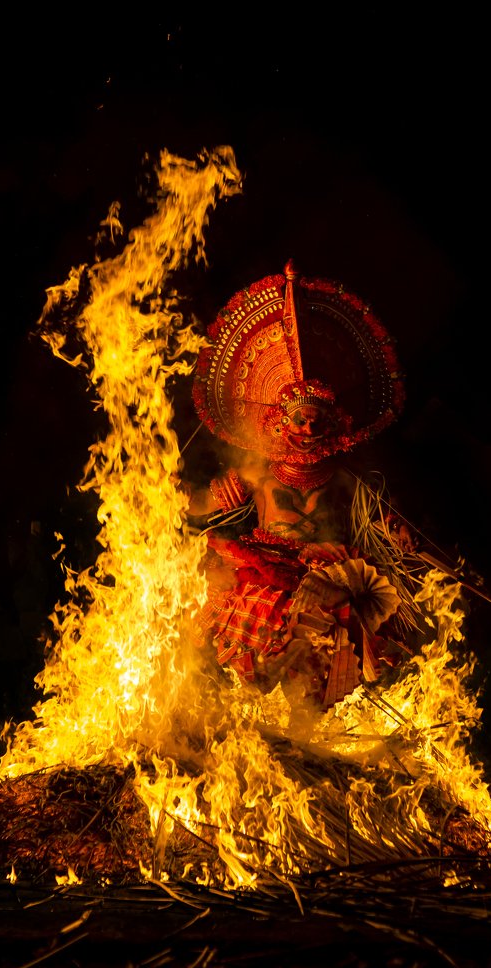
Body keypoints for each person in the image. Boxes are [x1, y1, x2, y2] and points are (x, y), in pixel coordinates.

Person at [185, 260, 425, 714]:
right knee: (249, 612)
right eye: (301, 418)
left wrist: (398, 531)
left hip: (330, 576)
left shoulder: (347, 479)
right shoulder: (257, 473)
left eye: (318, 420)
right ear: (282, 420)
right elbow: (200, 505)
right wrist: (168, 497)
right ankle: (258, 720)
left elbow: (384, 518)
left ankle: (327, 724)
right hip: (267, 568)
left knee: (341, 625)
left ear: (333, 422)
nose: (309, 427)